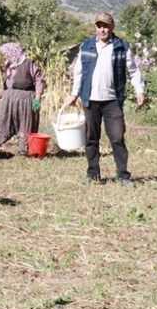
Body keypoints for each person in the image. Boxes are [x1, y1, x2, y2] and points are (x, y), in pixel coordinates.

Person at [62, 12, 146, 186]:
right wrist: (74, 93)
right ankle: (93, 174)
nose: (102, 29)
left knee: (117, 137)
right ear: (95, 27)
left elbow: (133, 71)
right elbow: (79, 72)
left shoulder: (122, 47)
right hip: (90, 99)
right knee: (91, 138)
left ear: (112, 27)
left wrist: (140, 90)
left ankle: (123, 176)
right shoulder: (86, 46)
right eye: (99, 26)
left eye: (106, 26)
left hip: (112, 100)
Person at [0, 42, 47, 157]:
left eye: (5, 54)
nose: (4, 56)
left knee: (25, 125)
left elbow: (39, 81)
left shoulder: (28, 63)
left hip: (26, 99)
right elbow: (5, 86)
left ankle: (25, 151)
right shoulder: (9, 66)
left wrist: (37, 98)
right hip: (8, 99)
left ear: (13, 53)